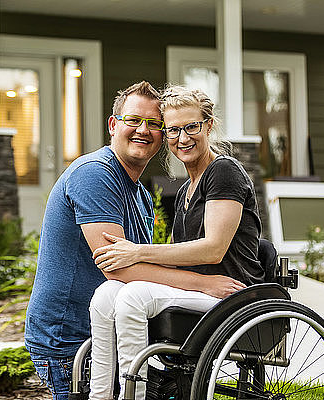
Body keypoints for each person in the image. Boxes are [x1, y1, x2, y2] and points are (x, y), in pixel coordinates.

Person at [88, 85, 264, 400]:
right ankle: (100, 395)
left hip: (230, 293)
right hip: (196, 291)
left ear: (209, 125)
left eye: (191, 127)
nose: (182, 138)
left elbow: (213, 250)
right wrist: (131, 263)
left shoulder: (224, 171)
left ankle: (136, 396)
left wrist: (136, 252)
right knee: (106, 294)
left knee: (133, 297)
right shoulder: (184, 191)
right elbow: (175, 255)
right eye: (172, 130)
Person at [24, 81, 164, 400]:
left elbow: (142, 265)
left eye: (154, 124)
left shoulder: (141, 195)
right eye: (133, 120)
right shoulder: (94, 174)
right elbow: (119, 270)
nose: (143, 130)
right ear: (113, 125)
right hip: (69, 339)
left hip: (107, 335)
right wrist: (203, 286)